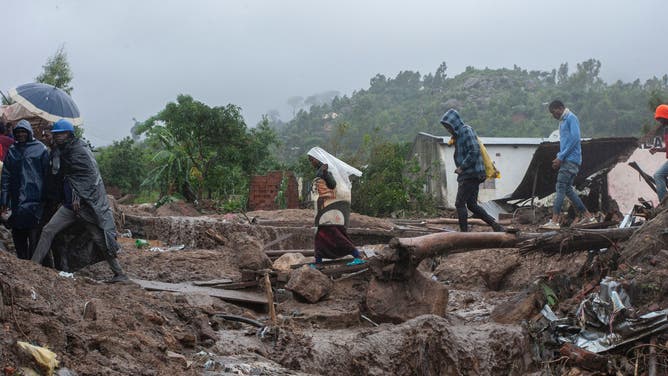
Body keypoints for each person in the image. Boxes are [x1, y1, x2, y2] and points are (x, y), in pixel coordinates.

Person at [30, 119, 128, 282]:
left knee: (99, 237)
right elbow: (60, 174)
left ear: (69, 134)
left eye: (60, 134)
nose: (57, 137)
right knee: (48, 230)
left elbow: (89, 178)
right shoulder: (62, 151)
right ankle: (33, 266)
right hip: (69, 206)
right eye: (55, 134)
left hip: (86, 206)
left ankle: (119, 273)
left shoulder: (80, 151)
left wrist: (78, 197)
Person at [440, 109, 505, 232]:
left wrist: (462, 167)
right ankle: (495, 225)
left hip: (471, 174)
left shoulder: (466, 130)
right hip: (470, 174)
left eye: (448, 126)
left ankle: (464, 233)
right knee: (472, 205)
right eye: (446, 127)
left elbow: (474, 151)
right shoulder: (458, 135)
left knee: (459, 203)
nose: (448, 129)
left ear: (454, 123)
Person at [540, 100, 596, 230]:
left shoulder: (571, 118)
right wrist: (560, 157)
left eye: (554, 112)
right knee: (568, 190)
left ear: (560, 108)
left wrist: (561, 157)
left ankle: (554, 221)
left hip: (570, 160)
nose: (553, 115)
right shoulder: (563, 121)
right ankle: (588, 217)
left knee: (560, 187)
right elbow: (565, 142)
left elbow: (575, 139)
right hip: (568, 159)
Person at [307, 147, 366, 267]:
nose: (311, 163)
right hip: (324, 211)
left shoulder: (325, 171)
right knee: (320, 237)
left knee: (337, 236)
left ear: (318, 159)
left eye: (312, 160)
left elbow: (332, 185)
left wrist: (323, 173)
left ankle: (357, 256)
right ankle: (318, 262)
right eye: (310, 160)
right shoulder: (321, 171)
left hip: (330, 212)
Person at [0, 120, 50, 260]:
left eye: (23, 132)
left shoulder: (41, 149)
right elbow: (6, 176)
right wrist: (4, 198)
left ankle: (34, 265)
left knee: (34, 237)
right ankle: (22, 261)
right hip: (16, 200)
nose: (21, 134)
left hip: (36, 200)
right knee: (18, 235)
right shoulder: (12, 150)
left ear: (29, 133)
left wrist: (47, 198)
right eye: (18, 132)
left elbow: (47, 175)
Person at [650, 104, 668, 203]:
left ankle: (664, 203)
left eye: (661, 118)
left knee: (658, 175)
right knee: (661, 176)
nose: (660, 121)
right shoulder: (666, 129)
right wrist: (658, 149)